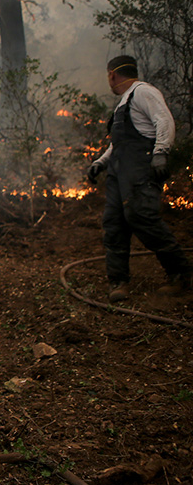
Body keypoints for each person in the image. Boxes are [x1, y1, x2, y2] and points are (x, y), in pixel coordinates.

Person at [87, 55, 191, 303]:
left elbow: (164, 120)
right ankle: (118, 282)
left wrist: (161, 153)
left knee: (142, 217)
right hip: (118, 173)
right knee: (114, 223)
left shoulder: (143, 92)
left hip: (140, 171)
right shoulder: (124, 102)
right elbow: (119, 144)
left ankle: (180, 274)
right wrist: (100, 162)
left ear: (112, 74)